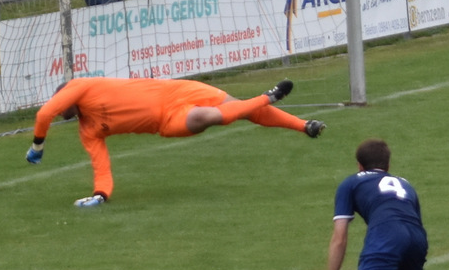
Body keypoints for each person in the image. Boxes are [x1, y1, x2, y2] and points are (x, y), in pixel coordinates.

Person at [25, 77, 326, 207]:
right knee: (211, 117)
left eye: (60, 102)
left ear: (66, 94)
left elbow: (44, 114)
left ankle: (304, 126)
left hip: (177, 91)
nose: (59, 109)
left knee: (238, 108)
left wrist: (37, 146)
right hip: (167, 121)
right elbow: (101, 167)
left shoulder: (79, 85)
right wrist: (100, 195)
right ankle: (268, 97)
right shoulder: (88, 130)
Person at [326, 138, 445, 270]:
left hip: (387, 233)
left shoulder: (351, 183)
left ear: (359, 166)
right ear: (388, 166)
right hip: (417, 237)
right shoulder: (406, 184)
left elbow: (339, 239)